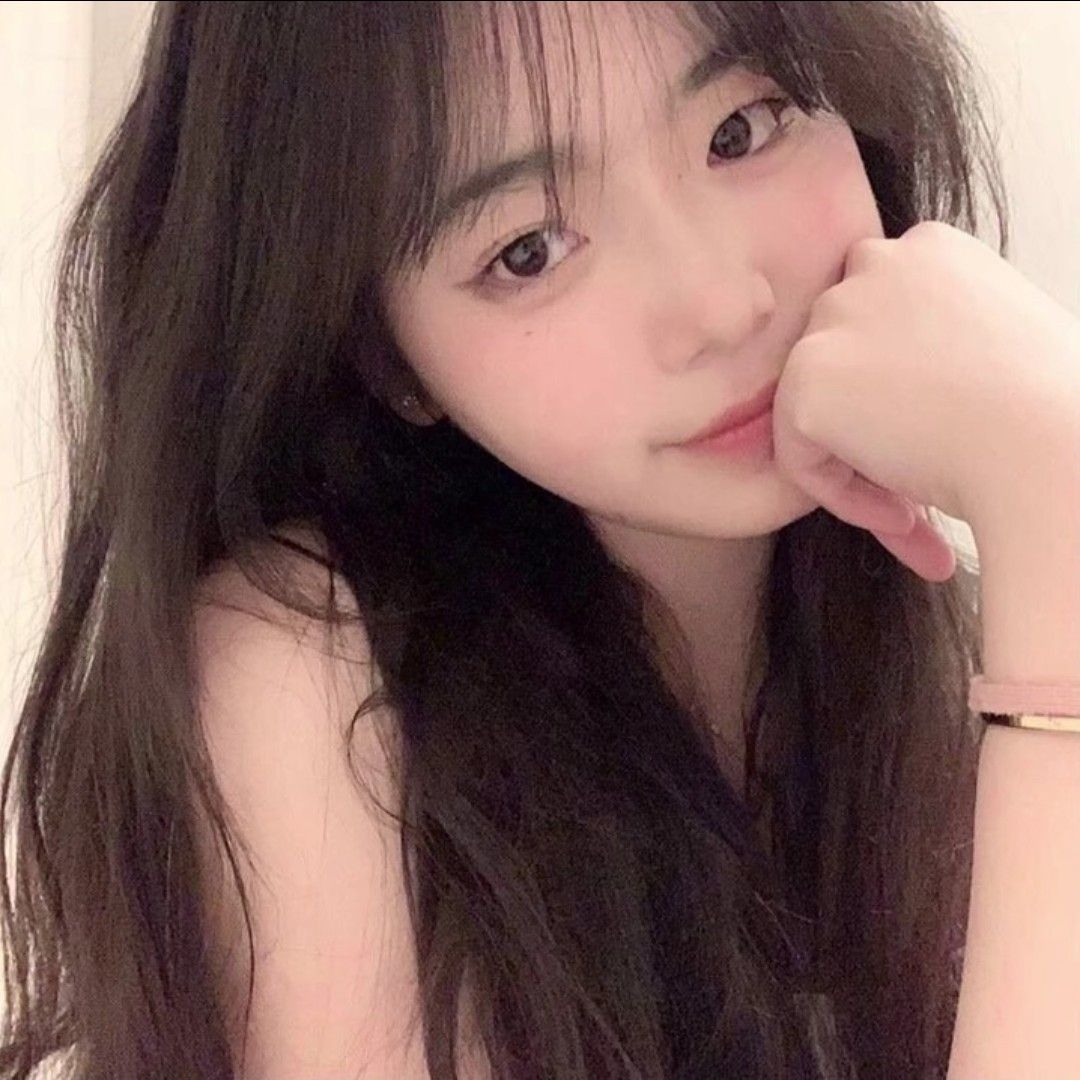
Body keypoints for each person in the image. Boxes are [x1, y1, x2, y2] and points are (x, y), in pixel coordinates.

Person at [2, 2, 1078, 1078]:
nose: (719, 303)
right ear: (388, 359)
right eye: (529, 249)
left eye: (741, 129)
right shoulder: (309, 674)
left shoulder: (929, 648)